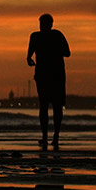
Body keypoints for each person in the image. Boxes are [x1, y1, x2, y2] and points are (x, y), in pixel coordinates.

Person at [26, 13, 71, 149]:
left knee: (53, 106)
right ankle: (47, 137)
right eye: (41, 24)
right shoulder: (36, 36)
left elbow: (67, 53)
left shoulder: (55, 35)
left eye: (44, 24)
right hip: (45, 75)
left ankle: (54, 136)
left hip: (54, 75)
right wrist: (30, 60)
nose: (42, 26)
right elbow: (28, 57)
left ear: (51, 24)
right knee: (46, 106)